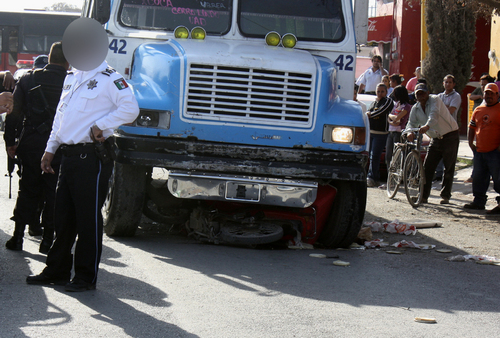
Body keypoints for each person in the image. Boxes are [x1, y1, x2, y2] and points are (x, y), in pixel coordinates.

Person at [26, 50, 139, 292]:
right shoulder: (72, 77)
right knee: (62, 217)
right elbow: (60, 116)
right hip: (67, 156)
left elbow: (131, 109)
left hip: (91, 157)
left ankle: (85, 277)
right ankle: (57, 270)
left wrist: (102, 125)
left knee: (87, 219)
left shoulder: (111, 78)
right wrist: (50, 149)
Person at [3, 43, 69, 253]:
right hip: (59, 146)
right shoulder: (72, 82)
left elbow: (13, 113)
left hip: (31, 143)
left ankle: (18, 237)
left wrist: (10, 143)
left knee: (28, 190)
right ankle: (48, 240)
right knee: (54, 195)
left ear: (49, 58)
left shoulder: (28, 79)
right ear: (68, 61)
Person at [405, 83, 460, 205]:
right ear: (415, 96)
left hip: (450, 135)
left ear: (427, 93)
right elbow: (411, 123)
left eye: (423, 93)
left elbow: (433, 115)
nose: (421, 96)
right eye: (418, 94)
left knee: (448, 167)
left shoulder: (435, 99)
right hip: (435, 138)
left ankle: (445, 196)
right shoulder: (416, 108)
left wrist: (426, 126)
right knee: (427, 168)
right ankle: (423, 196)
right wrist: (409, 132)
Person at [463, 83, 500, 214]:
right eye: (487, 93)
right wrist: (470, 143)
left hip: (495, 152)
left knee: (498, 179)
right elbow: (471, 127)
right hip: (479, 151)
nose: (489, 96)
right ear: (483, 94)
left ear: (497, 95)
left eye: (492, 93)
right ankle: (478, 202)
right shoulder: (478, 109)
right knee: (479, 178)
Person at [433, 74, 462, 182]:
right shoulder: (439, 96)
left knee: (449, 155)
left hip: (450, 129)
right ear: (443, 83)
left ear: (453, 84)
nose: (448, 84)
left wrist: (441, 108)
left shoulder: (456, 96)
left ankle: (448, 177)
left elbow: (450, 111)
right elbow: (434, 110)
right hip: (439, 129)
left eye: (450, 82)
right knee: (438, 152)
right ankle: (438, 175)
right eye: (446, 82)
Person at [366, 83, 394, 187]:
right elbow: (368, 112)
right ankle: (372, 177)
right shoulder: (374, 102)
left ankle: (373, 178)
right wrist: (368, 114)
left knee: (375, 156)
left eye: (382, 91)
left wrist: (370, 115)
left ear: (386, 92)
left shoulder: (388, 101)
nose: (380, 93)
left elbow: (381, 112)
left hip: (381, 133)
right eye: (378, 91)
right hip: (371, 133)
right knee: (370, 156)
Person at [385, 85, 412, 168]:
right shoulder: (396, 104)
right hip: (391, 131)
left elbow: (397, 117)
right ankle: (390, 175)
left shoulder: (407, 106)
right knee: (388, 156)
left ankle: (399, 175)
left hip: (399, 132)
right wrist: (392, 119)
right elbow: (390, 117)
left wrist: (392, 117)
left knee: (398, 155)